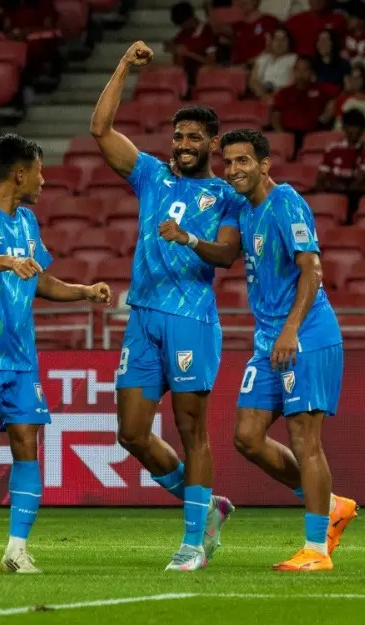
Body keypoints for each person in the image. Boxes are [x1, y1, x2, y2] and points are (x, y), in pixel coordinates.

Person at [157, 128, 357, 571]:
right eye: (228, 163)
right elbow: (224, 254)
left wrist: (290, 331)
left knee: (306, 441)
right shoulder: (246, 212)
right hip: (268, 340)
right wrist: (188, 238)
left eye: (243, 161)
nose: (233, 170)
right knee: (247, 437)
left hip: (304, 336)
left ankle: (316, 551)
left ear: (264, 164)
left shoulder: (286, 203)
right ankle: (329, 504)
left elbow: (312, 269)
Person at [89, 42, 247, 571]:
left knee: (191, 430)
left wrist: (185, 239)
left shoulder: (226, 196)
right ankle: (209, 508)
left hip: (191, 320)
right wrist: (123, 68)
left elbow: (227, 254)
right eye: (177, 136)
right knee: (131, 432)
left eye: (193, 138)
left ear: (212, 144)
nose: (181, 144)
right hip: (144, 317)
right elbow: (101, 132)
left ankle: (192, 542)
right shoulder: (152, 176)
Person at [0, 134, 112, 574]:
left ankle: (16, 550)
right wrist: (7, 261)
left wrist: (84, 291)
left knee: (26, 444)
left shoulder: (29, 221)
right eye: (39, 169)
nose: (43, 178)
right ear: (19, 172)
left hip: (20, 355)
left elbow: (42, 280)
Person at [270, 56, 336, 147]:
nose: (301, 74)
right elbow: (275, 116)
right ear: (294, 71)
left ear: (311, 72)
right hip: (289, 135)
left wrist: (325, 118)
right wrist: (281, 135)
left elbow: (334, 100)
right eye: (298, 70)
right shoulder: (284, 93)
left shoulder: (320, 90)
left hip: (314, 135)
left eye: (305, 70)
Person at [315, 109, 365, 199]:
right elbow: (321, 176)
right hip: (332, 192)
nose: (354, 130)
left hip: (354, 195)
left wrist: (343, 191)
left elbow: (360, 178)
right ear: (344, 127)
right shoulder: (332, 148)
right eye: (351, 126)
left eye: (357, 127)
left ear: (363, 129)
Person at [323, 63, 365, 131]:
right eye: (354, 78)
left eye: (359, 78)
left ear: (364, 79)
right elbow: (338, 123)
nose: (356, 81)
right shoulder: (343, 98)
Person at [168, 1, 218, 82]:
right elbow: (177, 67)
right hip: (186, 81)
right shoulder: (180, 37)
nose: (182, 27)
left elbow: (212, 63)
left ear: (191, 18)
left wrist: (189, 53)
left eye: (184, 24)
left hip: (207, 79)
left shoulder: (208, 32)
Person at [248, 27, 297, 100]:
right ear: (271, 42)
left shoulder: (294, 59)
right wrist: (263, 95)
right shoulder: (262, 58)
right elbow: (253, 80)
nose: (279, 43)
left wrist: (275, 96)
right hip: (261, 96)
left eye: (283, 39)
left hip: (284, 97)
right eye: (276, 39)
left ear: (288, 42)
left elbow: (293, 83)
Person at [229, 0, 282, 65]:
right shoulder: (234, 24)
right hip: (235, 67)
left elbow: (276, 48)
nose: (241, 2)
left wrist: (251, 63)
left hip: (261, 66)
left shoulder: (270, 21)